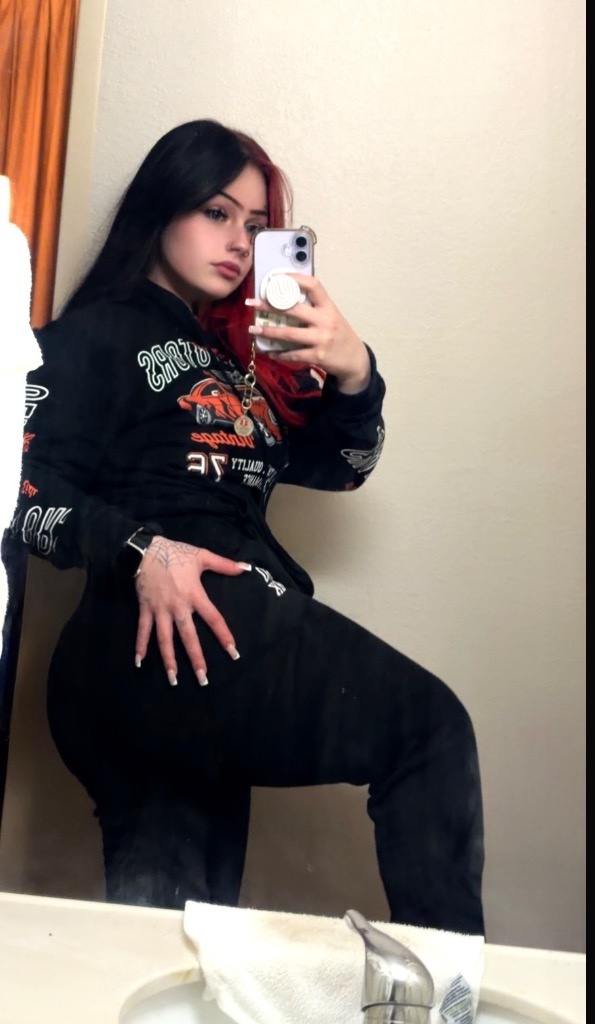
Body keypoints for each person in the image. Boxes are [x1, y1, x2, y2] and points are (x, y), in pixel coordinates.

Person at [13, 119, 484, 934]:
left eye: (257, 226)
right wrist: (140, 549)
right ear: (161, 207)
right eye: (216, 212)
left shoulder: (238, 361)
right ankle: (448, 990)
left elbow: (341, 467)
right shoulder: (93, 335)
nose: (238, 241)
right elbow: (18, 491)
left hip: (202, 652)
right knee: (428, 727)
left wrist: (354, 374)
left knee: (182, 936)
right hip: (143, 633)